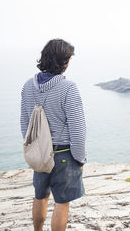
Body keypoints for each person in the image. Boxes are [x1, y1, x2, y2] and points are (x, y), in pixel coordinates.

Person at [20, 39, 86, 231]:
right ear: (63, 61)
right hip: (64, 154)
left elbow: (25, 123)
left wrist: (34, 149)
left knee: (40, 196)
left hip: (39, 153)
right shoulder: (68, 88)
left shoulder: (27, 86)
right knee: (61, 202)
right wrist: (80, 159)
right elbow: (78, 130)